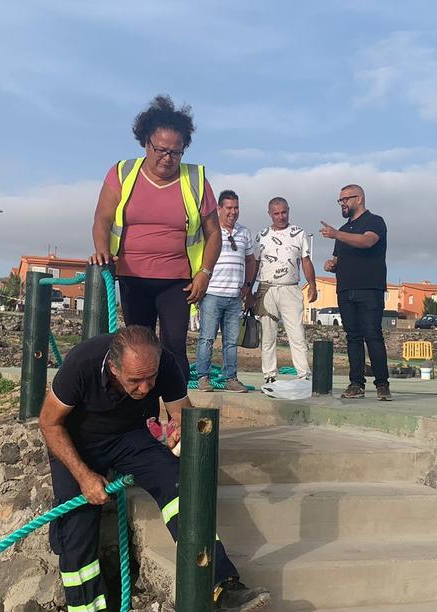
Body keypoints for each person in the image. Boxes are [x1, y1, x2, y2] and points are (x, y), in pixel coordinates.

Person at [39, 326, 271, 612]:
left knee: (178, 482)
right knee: (75, 537)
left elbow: (183, 414)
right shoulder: (81, 364)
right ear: (114, 368)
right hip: (77, 442)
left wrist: (180, 432)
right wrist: (85, 476)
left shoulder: (166, 365)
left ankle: (221, 587)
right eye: (136, 380)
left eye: (151, 378)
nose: (146, 388)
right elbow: (49, 423)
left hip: (130, 438)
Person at [89, 95, 222, 381]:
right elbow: (102, 218)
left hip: (177, 282)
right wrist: (101, 249)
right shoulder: (122, 173)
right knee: (138, 350)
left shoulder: (196, 179)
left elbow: (214, 234)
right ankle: (142, 416)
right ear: (145, 143)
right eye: (161, 150)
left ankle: (177, 415)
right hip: (132, 277)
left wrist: (205, 273)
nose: (167, 158)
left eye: (176, 152)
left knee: (173, 347)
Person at [319, 184, 391, 401]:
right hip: (345, 289)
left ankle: (382, 384)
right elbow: (340, 258)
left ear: (358, 198)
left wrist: (335, 234)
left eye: (345, 199)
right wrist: (332, 264)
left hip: (370, 288)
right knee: (353, 338)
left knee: (373, 335)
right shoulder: (343, 230)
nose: (342, 203)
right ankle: (356, 383)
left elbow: (368, 241)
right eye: (340, 200)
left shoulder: (374, 221)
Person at [195, 190, 256, 393]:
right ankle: (203, 377)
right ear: (219, 209)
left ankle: (231, 378)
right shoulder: (209, 233)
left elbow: (250, 261)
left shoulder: (245, 233)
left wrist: (247, 287)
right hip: (212, 294)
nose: (233, 212)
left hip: (234, 297)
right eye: (228, 208)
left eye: (236, 208)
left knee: (231, 342)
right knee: (206, 338)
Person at [253, 197, 316, 384]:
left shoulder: (298, 233)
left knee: (296, 333)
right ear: (270, 214)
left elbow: (306, 260)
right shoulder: (261, 235)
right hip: (267, 289)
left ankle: (303, 375)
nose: (281, 217)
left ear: (288, 210)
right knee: (268, 334)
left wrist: (312, 284)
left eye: (284, 212)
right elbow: (254, 263)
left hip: (291, 289)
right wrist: (248, 289)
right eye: (276, 213)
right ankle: (270, 374)